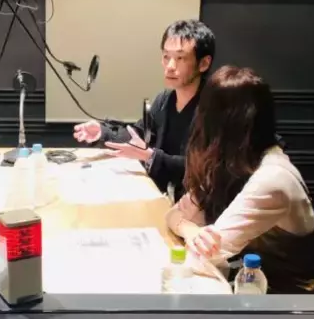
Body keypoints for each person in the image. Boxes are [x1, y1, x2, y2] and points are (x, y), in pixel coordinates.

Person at [166, 66, 314, 294]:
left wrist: (195, 235)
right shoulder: (233, 162)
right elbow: (173, 214)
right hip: (251, 285)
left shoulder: (273, 179)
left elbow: (210, 252)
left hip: (285, 297)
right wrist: (192, 232)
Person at [73, 19, 215, 201]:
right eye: (166, 56)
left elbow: (206, 168)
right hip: (163, 196)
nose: (170, 66)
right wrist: (103, 132)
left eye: (180, 58)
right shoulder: (164, 100)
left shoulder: (215, 107)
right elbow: (138, 135)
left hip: (197, 205)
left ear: (203, 63)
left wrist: (152, 157)